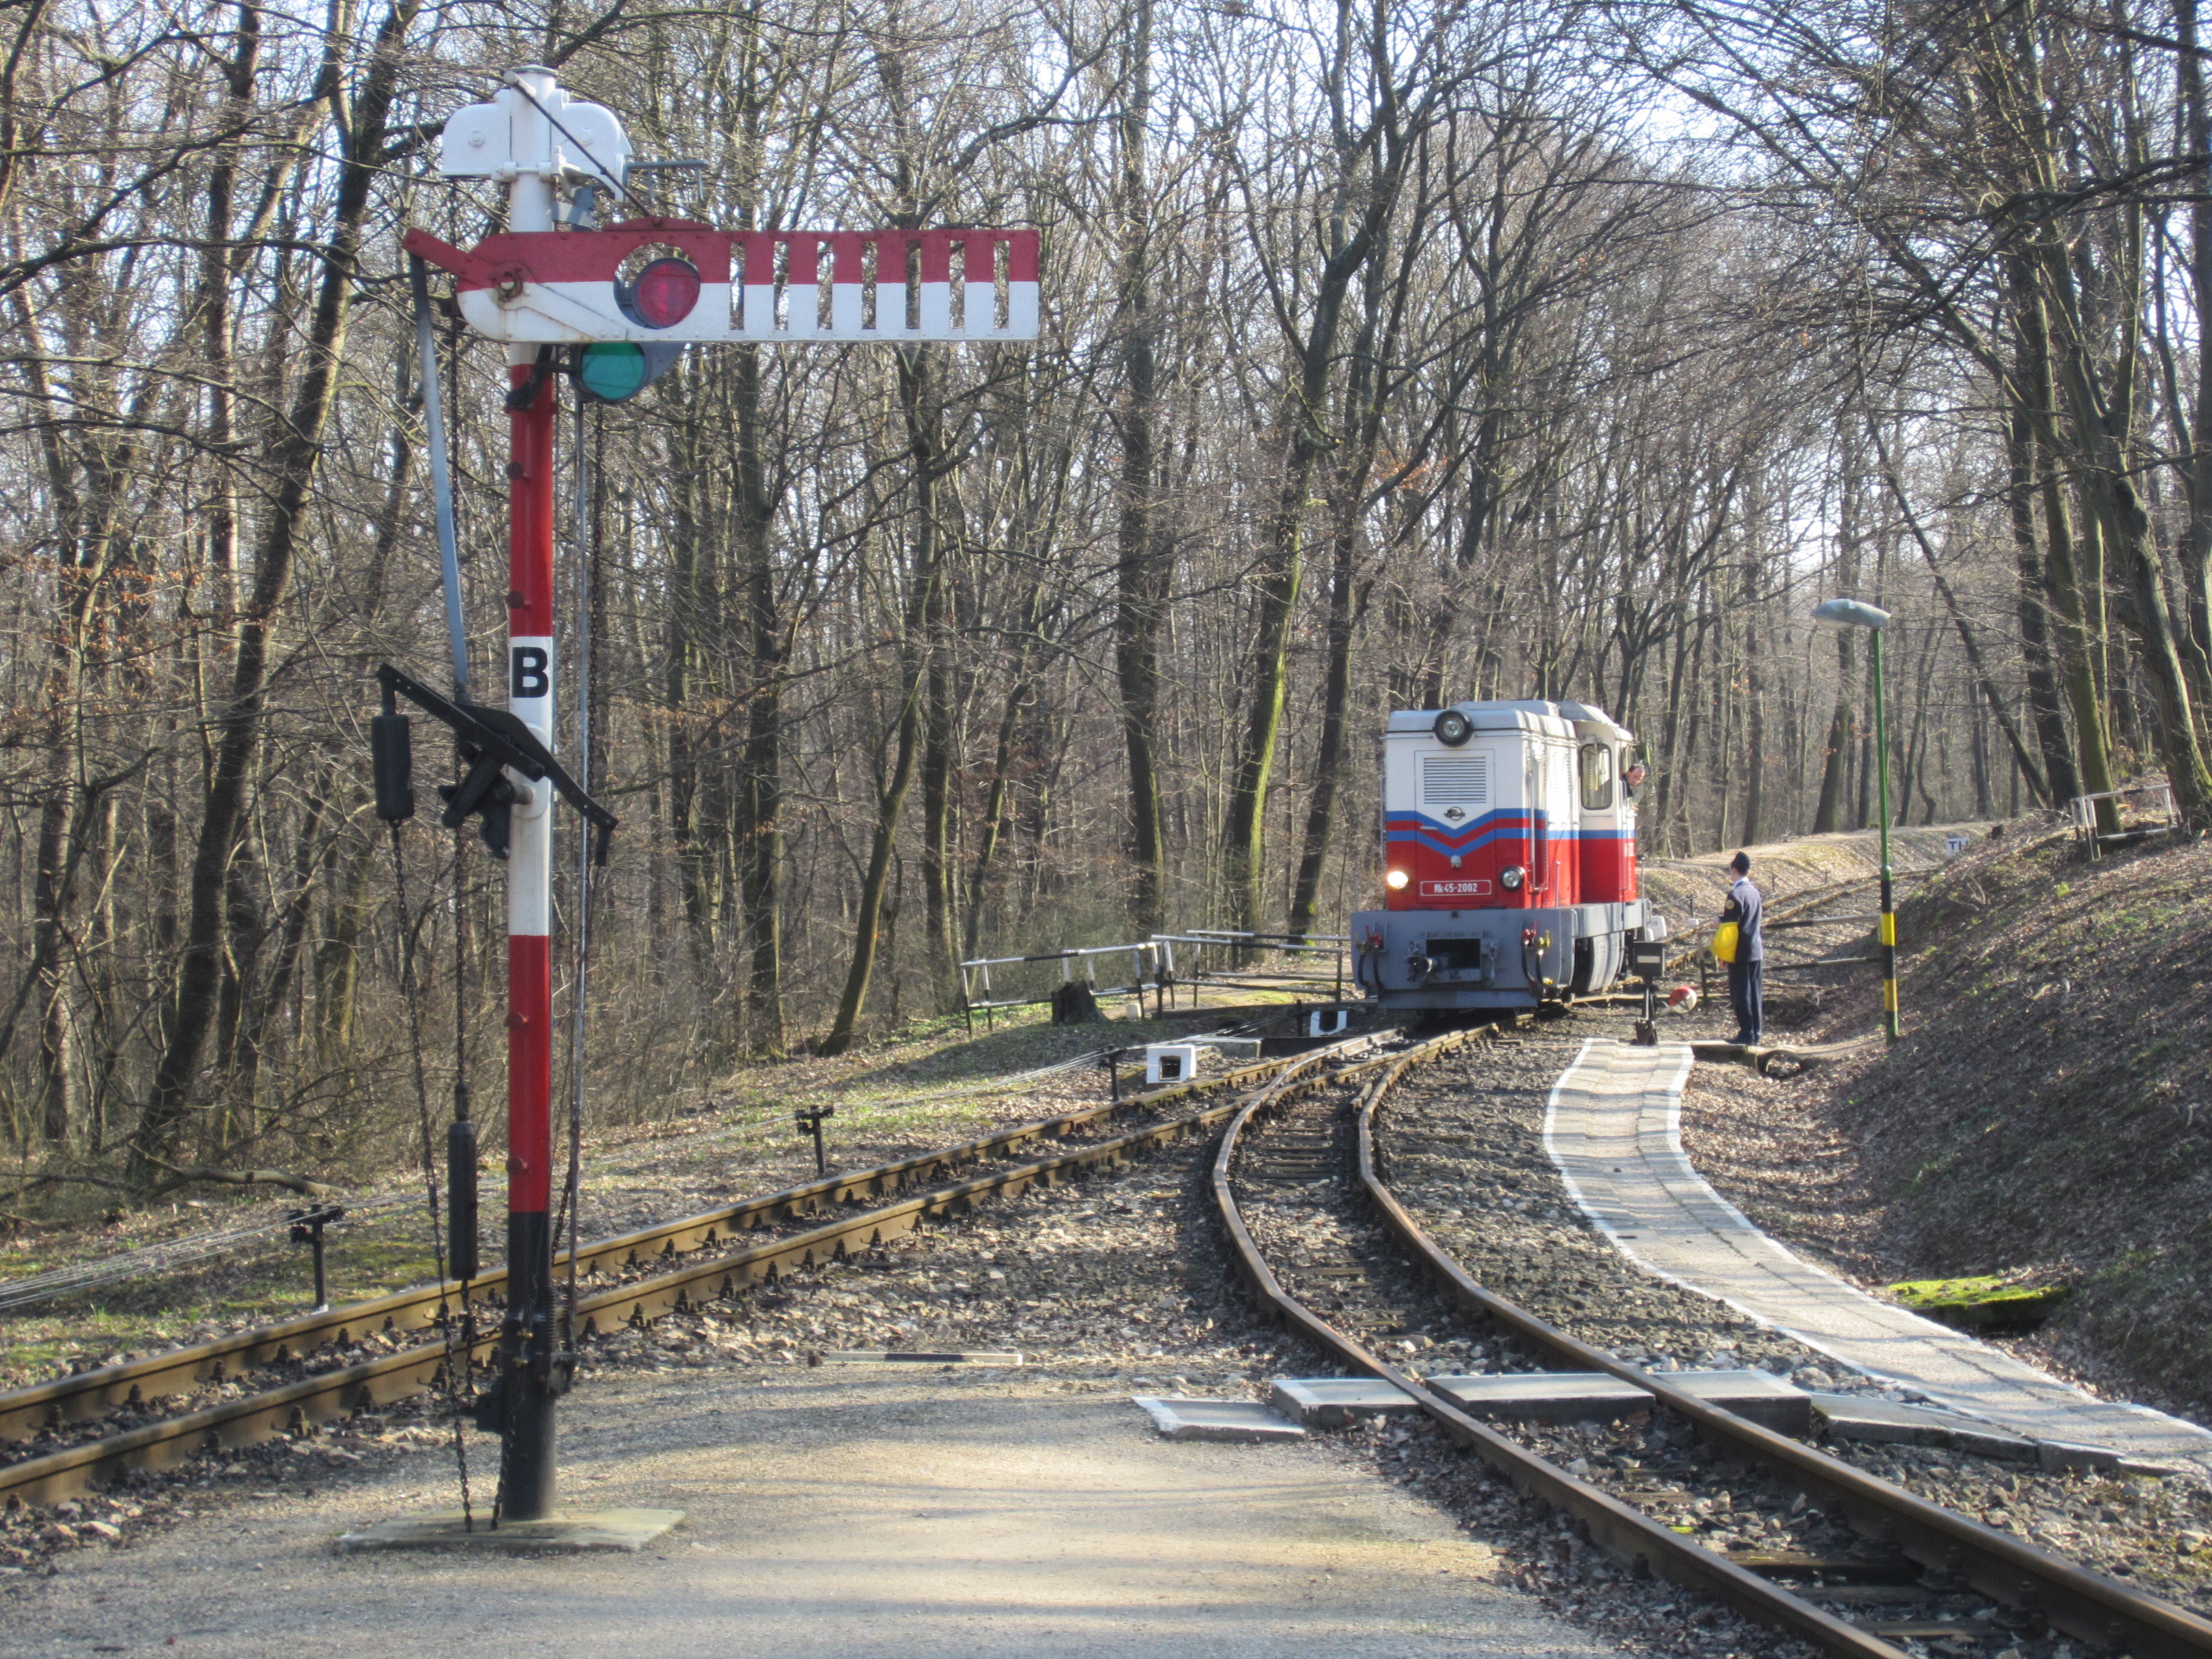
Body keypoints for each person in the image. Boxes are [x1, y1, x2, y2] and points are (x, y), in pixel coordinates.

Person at [1720, 850, 1763, 1046]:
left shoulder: (1735, 894)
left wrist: (1725, 955)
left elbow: (1731, 927)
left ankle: (1746, 1033)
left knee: (1741, 993)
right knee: (1755, 992)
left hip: (1740, 952)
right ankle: (1756, 1031)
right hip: (1755, 949)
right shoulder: (1754, 891)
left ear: (1734, 871)